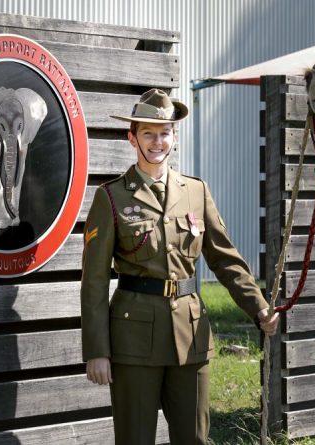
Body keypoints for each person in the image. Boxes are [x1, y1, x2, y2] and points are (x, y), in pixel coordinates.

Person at [80, 88, 279, 445]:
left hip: (191, 334)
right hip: (133, 339)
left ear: (174, 137)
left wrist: (258, 305)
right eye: (148, 133)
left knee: (193, 439)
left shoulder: (195, 191)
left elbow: (223, 257)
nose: (158, 141)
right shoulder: (111, 196)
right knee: (135, 438)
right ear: (132, 138)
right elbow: (94, 282)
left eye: (164, 133)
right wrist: (97, 350)